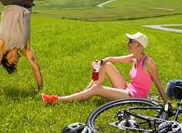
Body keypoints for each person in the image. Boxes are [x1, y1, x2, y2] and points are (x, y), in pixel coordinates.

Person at [41, 32, 170, 104]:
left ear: (140, 46)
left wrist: (167, 104)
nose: (128, 43)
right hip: (127, 90)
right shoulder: (134, 57)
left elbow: (158, 83)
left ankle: (57, 100)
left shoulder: (149, 63)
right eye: (129, 40)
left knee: (97, 88)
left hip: (136, 98)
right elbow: (112, 59)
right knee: (106, 65)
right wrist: (99, 63)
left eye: (131, 41)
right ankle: (83, 93)